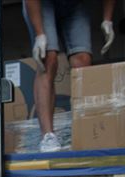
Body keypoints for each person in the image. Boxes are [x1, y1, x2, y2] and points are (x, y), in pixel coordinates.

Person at [24, 0, 116, 152]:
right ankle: (48, 136)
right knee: (48, 58)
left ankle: (86, 131)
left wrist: (108, 20)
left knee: (83, 61)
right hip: (42, 4)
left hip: (76, 5)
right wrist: (39, 35)